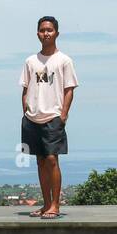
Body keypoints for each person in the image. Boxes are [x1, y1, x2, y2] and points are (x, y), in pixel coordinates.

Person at [19, 16, 78, 219]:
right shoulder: (30, 61)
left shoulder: (64, 60)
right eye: (43, 30)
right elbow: (25, 88)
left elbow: (69, 89)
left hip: (53, 116)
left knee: (52, 159)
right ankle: (45, 205)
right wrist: (25, 111)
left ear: (57, 33)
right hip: (32, 118)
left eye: (50, 30)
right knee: (40, 161)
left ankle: (55, 205)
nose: (46, 33)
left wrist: (63, 115)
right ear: (37, 33)